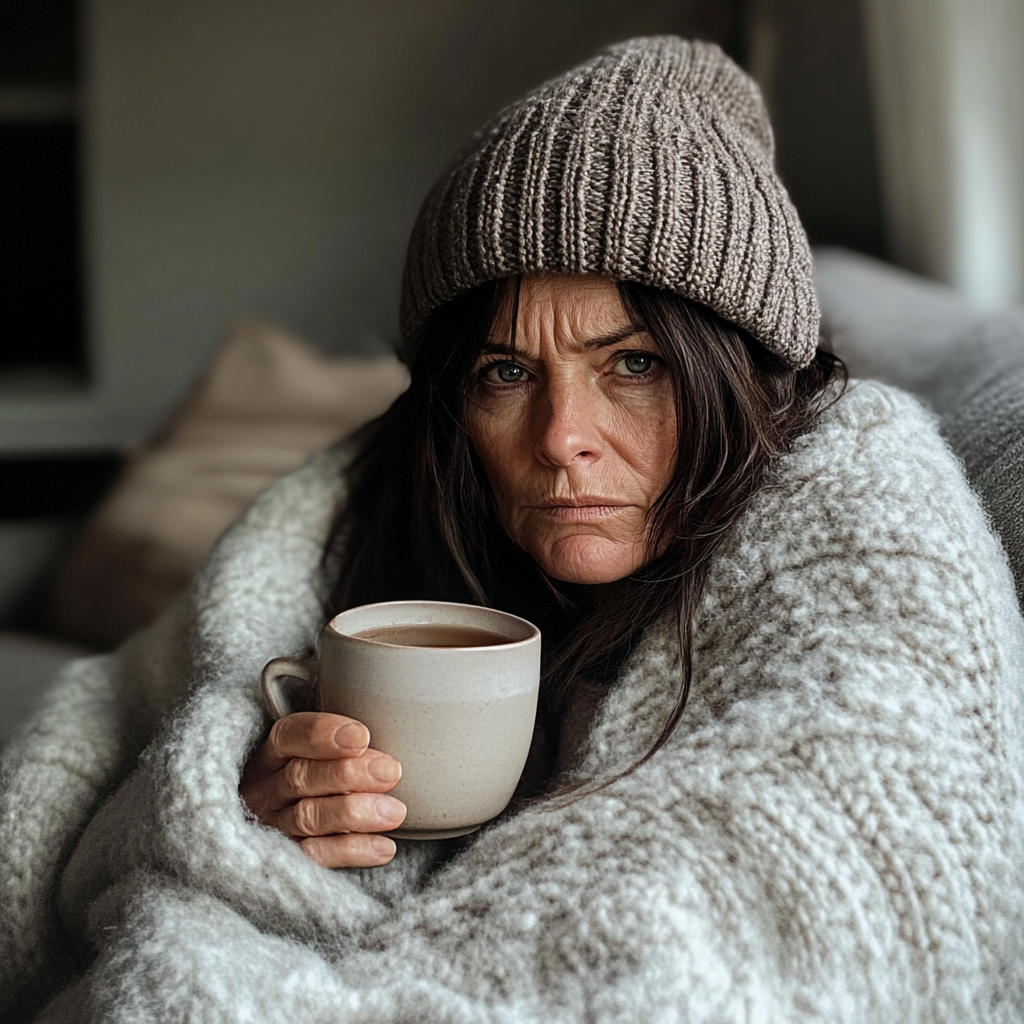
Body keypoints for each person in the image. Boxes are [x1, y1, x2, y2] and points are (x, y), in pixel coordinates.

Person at [3, 36, 1023, 1024]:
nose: (561, 438)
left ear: (738, 374)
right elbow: (118, 764)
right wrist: (244, 816)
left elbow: (850, 832)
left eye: (633, 365)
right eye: (506, 373)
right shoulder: (386, 505)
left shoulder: (857, 508)